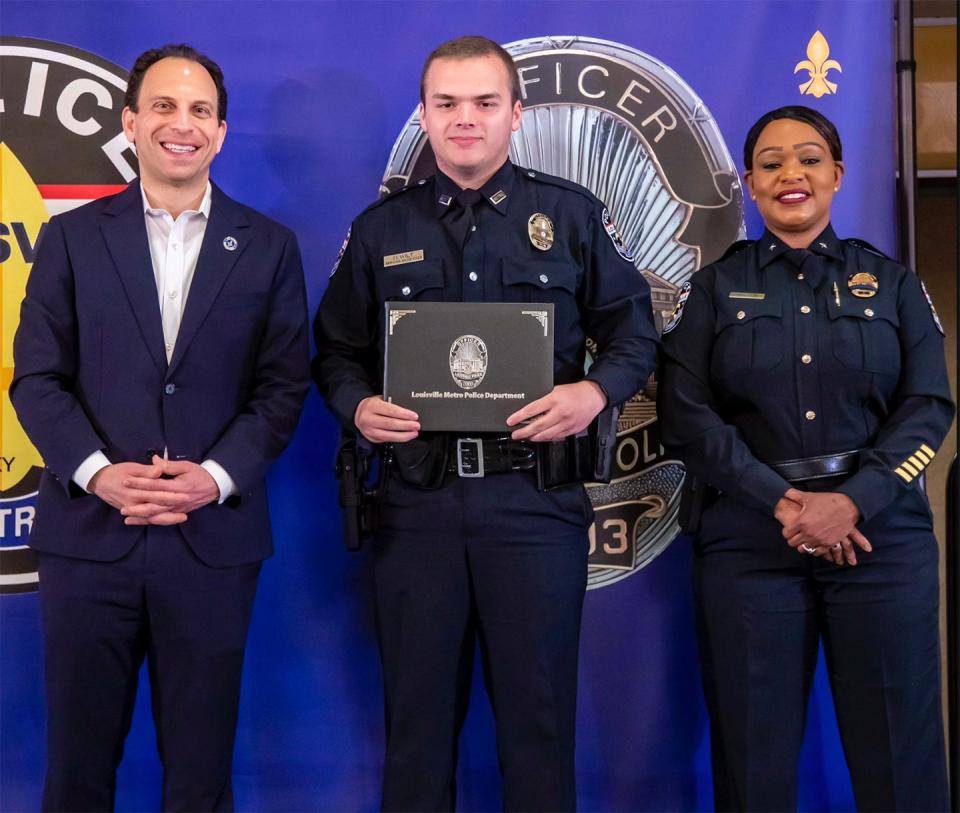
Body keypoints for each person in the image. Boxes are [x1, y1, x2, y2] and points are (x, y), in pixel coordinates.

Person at [313, 35, 658, 812]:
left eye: (483, 103)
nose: (464, 119)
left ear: (516, 114)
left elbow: (636, 330)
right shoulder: (380, 232)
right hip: (417, 508)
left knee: (539, 732)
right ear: (426, 116)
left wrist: (594, 394)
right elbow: (334, 351)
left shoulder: (568, 217)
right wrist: (358, 405)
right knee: (417, 735)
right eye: (446, 104)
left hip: (533, 506)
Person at [11, 44, 309, 812]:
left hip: (211, 546)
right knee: (76, 770)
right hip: (88, 538)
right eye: (166, 107)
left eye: (201, 111)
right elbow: (37, 378)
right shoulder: (72, 239)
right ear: (131, 122)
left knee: (201, 774)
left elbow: (283, 388)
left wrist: (211, 479)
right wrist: (98, 471)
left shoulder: (269, 247)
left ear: (221, 130)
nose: (183, 125)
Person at [659, 105, 954, 811]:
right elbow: (686, 418)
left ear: (838, 174)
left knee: (899, 759)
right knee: (753, 762)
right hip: (752, 543)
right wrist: (784, 501)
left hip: (878, 539)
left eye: (810, 158)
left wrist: (853, 500)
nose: (791, 173)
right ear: (750, 188)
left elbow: (929, 408)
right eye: (770, 163)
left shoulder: (894, 287)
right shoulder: (713, 291)